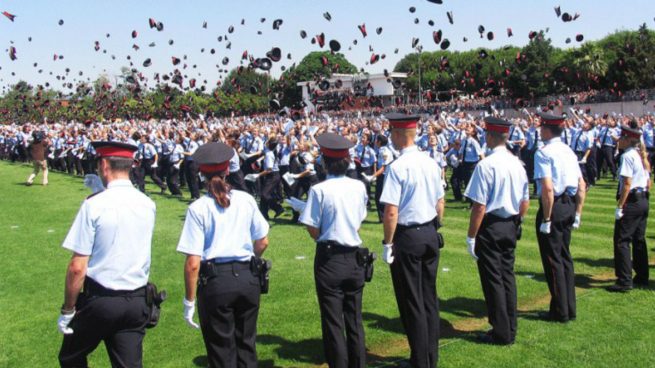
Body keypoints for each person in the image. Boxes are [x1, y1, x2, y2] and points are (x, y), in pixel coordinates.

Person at [57, 141, 156, 368]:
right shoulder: (147, 203)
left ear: (103, 165)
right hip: (137, 300)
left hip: (102, 299)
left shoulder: (94, 205)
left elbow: (77, 267)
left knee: (71, 357)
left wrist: (68, 308)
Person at [177, 142, 270, 368]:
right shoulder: (245, 200)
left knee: (221, 353)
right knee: (246, 347)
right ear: (227, 170)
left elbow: (192, 263)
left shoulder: (198, 207)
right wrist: (250, 258)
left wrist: (189, 301)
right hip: (247, 277)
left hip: (217, 281)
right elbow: (263, 240)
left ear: (201, 173)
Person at [379, 113, 445, 368]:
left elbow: (391, 211)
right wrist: (435, 226)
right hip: (429, 230)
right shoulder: (430, 162)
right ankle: (430, 357)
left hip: (408, 235)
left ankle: (420, 360)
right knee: (428, 297)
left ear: (397, 134)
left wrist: (387, 243)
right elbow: (440, 202)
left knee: (412, 301)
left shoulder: (397, 167)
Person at [299, 133, 370, 368]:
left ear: (325, 162)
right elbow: (360, 218)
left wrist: (326, 238)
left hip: (330, 256)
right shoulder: (358, 186)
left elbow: (312, 227)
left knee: (332, 322)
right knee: (354, 319)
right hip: (354, 255)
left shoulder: (320, 190)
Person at [464, 117, 530, 345]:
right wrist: (517, 221)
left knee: (493, 279)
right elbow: (525, 202)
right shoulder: (517, 163)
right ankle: (510, 326)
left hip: (492, 225)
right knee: (507, 277)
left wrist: (471, 236)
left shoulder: (486, 165)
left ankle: (501, 331)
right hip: (511, 223)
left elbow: (479, 206)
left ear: (491, 136)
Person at [533, 112, 586, 323]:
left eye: (541, 127)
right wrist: (578, 213)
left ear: (547, 129)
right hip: (569, 205)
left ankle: (559, 310)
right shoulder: (568, 151)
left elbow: (547, 189)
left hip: (554, 207)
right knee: (564, 257)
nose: (539, 130)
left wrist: (546, 219)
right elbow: (581, 185)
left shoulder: (544, 153)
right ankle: (569, 307)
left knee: (553, 260)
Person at [609, 123, 651, 292]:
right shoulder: (640, 155)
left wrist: (620, 206)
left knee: (622, 240)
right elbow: (649, 182)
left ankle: (624, 280)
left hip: (632, 201)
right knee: (638, 239)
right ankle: (642, 276)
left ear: (627, 139)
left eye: (621, 137)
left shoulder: (627, 156)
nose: (618, 140)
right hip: (643, 199)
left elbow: (627, 184)